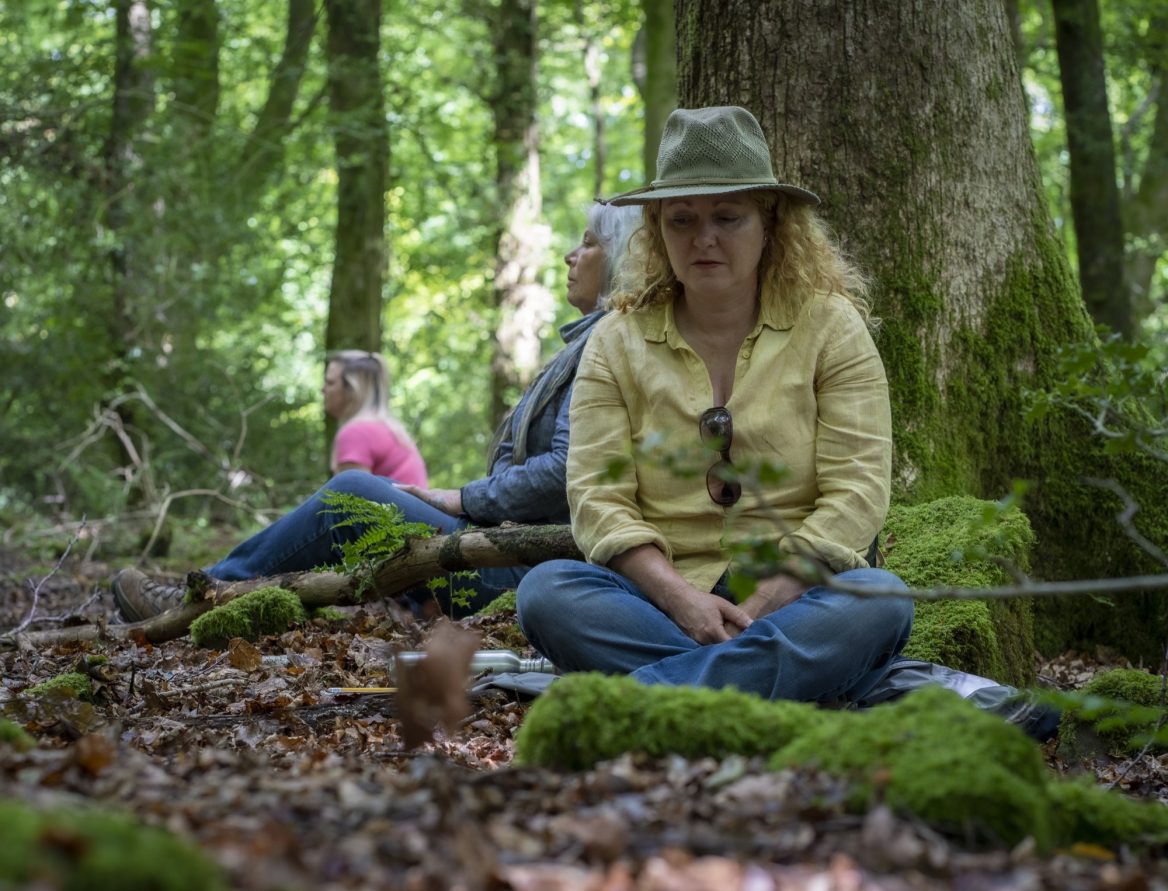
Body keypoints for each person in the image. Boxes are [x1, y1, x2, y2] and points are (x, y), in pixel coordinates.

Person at [516, 106, 915, 705]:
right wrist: (682, 599)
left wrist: (764, 603)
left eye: (727, 217)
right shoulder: (616, 341)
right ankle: (766, 688)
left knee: (881, 599)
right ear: (658, 229)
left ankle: (638, 705)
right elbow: (597, 498)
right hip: (658, 602)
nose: (704, 238)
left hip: (797, 596)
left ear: (769, 223)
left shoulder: (831, 328)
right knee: (548, 592)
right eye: (682, 220)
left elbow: (857, 492)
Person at [112, 200, 643, 622]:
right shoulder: (592, 344)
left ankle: (201, 598)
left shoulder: (605, 347)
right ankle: (224, 595)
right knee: (368, 495)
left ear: (621, 260)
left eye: (588, 243)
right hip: (509, 550)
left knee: (352, 493)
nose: (571, 255)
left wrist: (462, 498)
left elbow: (565, 470)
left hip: (532, 574)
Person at [323, 350, 428, 485]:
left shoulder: (357, 432)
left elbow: (351, 496)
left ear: (352, 389)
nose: (323, 389)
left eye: (330, 383)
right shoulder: (386, 427)